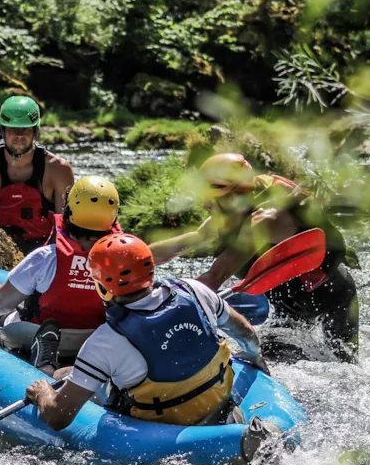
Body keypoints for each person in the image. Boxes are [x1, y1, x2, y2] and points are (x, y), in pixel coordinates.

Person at [25, 233, 268, 431]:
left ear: (102, 286)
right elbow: (245, 331)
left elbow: (58, 418)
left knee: (64, 374)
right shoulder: (194, 290)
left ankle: (45, 368)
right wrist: (256, 358)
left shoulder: (105, 341)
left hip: (160, 428)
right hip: (220, 411)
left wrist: (43, 393)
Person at [148, 153, 358, 363]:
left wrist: (161, 307)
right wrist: (139, 257)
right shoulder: (235, 208)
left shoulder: (264, 221)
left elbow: (214, 277)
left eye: (209, 200)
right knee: (274, 361)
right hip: (289, 306)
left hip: (334, 298)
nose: (204, 206)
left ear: (231, 198)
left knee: (346, 365)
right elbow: (195, 238)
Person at [0, 176, 122, 374]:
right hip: (92, 340)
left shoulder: (46, 257)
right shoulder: (121, 259)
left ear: (69, 212)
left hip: (39, 333)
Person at [0, 95, 75, 252]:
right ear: (2, 130)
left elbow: (65, 225)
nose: (19, 136)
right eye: (12, 129)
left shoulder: (58, 169)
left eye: (25, 129)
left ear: (35, 131)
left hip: (43, 252)